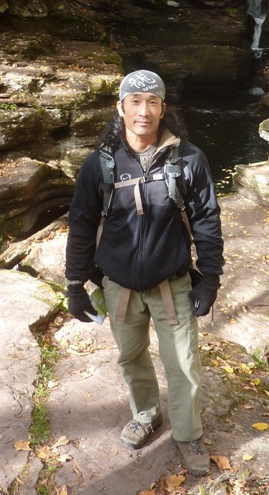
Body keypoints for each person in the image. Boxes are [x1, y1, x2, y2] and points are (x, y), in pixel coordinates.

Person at [65, 69, 224, 476]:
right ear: (120, 108)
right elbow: (82, 224)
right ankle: (147, 414)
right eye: (135, 101)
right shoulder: (99, 165)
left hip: (171, 284)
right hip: (118, 286)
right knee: (131, 358)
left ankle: (187, 434)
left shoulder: (188, 158)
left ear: (163, 108)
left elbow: (207, 220)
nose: (144, 110)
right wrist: (74, 283)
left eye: (152, 101)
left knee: (184, 364)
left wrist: (210, 278)